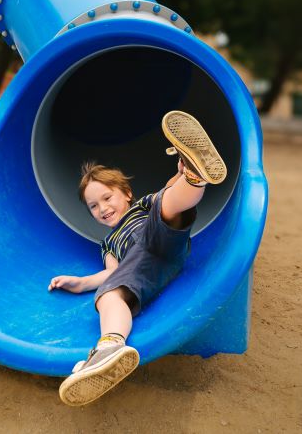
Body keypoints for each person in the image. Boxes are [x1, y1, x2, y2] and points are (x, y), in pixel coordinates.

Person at [48, 110, 227, 406]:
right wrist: (80, 283)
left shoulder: (140, 207)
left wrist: (179, 174)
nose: (102, 208)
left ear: (127, 194)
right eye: (93, 206)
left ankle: (194, 175)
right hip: (143, 269)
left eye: (107, 197)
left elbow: (166, 196)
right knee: (109, 295)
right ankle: (110, 347)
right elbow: (112, 274)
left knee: (166, 204)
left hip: (158, 237)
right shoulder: (107, 244)